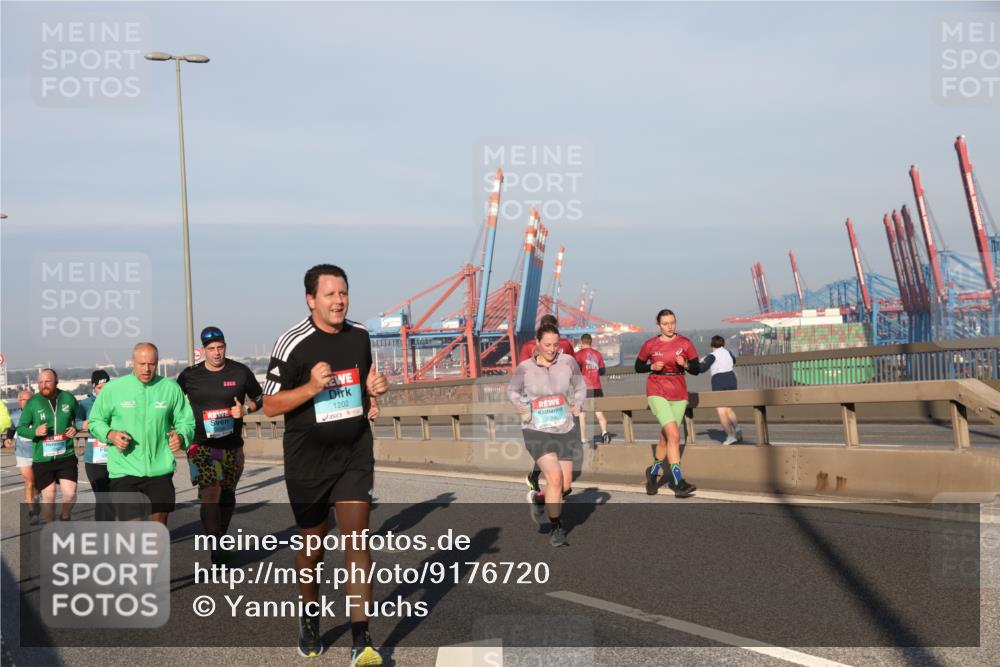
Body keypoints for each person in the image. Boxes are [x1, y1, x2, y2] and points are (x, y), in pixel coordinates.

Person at [262, 264, 388, 664]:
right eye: (330, 294)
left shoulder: (360, 336)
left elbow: (363, 385)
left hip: (353, 453)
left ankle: (361, 639)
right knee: (311, 549)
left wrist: (374, 392)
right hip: (307, 462)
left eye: (344, 293)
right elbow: (268, 405)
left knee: (357, 539)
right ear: (311, 299)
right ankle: (309, 616)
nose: (339, 300)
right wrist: (312, 387)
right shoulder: (291, 343)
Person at [178, 326, 264, 564]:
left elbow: (260, 398)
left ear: (225, 347)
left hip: (232, 446)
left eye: (220, 347)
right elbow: (173, 402)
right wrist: (177, 428)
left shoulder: (240, 372)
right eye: (211, 349)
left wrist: (246, 409)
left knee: (227, 495)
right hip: (201, 445)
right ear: (203, 350)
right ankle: (215, 544)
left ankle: (220, 536)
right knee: (211, 492)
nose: (216, 353)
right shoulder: (190, 375)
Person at [87, 342, 195, 525]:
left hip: (160, 468)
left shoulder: (170, 388)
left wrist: (182, 437)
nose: (147, 369)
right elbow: (95, 421)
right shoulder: (114, 389)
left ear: (157, 363)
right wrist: (110, 434)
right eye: (142, 364)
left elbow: (187, 421)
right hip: (124, 469)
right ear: (132, 362)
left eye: (151, 364)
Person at [508, 322, 587, 547]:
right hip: (536, 428)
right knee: (554, 478)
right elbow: (512, 390)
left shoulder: (568, 362)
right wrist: (519, 405)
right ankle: (556, 528)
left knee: (565, 485)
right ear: (537, 343)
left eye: (555, 344)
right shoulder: (525, 367)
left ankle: (539, 498)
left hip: (564, 426)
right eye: (547, 345)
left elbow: (580, 386)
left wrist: (578, 404)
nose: (552, 349)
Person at [634, 309, 699, 498]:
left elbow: (696, 369)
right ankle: (678, 482)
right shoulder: (650, 344)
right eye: (665, 324)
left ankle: (653, 473)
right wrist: (651, 367)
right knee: (674, 434)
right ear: (658, 325)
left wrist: (685, 364)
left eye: (672, 323)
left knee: (666, 438)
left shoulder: (685, 343)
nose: (670, 327)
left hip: (679, 392)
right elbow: (638, 367)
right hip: (656, 390)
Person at [521, 313, 575, 495]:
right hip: (541, 408)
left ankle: (542, 491)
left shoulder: (563, 345)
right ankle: (544, 487)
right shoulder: (563, 345)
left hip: (560, 406)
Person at [16, 369, 79, 523]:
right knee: (49, 494)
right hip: (43, 458)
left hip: (66, 455)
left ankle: (65, 517)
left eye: (47, 382)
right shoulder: (33, 402)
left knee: (70, 493)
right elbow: (21, 428)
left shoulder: (68, 398)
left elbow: (78, 418)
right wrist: (35, 432)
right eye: (41, 382)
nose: (43, 385)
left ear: (56, 381)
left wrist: (75, 428)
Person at [75, 370, 115, 520]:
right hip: (94, 459)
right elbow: (76, 422)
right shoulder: (85, 404)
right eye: (99, 388)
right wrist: (82, 424)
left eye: (106, 387)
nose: (103, 391)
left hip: (115, 456)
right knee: (102, 497)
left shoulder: (116, 401)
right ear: (93, 387)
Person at [691, 336, 742, 445]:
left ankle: (730, 436)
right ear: (723, 344)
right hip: (732, 378)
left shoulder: (712, 356)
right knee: (728, 408)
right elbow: (734, 361)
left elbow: (701, 369)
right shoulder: (728, 352)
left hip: (719, 380)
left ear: (712, 345)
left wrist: (701, 361)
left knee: (721, 410)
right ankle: (737, 428)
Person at [574, 333, 609, 447]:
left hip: (583, 389)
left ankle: (583, 438)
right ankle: (604, 432)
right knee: (599, 412)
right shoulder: (598, 354)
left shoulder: (578, 355)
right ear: (591, 342)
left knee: (582, 414)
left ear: (581, 342)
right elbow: (603, 371)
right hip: (597, 387)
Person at [10, 391, 39, 522]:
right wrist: (8, 438)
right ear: (19, 401)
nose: (27, 403)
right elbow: (11, 428)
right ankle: (32, 511)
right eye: (24, 400)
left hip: (38, 452)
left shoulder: (38, 413)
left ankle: (36, 500)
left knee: (37, 483)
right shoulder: (15, 415)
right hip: (22, 453)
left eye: (30, 400)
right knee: (29, 482)